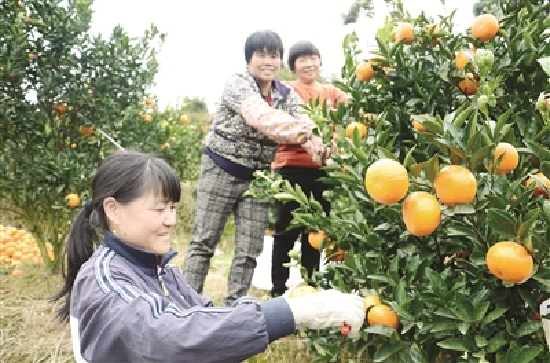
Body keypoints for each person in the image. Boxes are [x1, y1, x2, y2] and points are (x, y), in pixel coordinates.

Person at [52, 151, 365, 363]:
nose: (171, 220)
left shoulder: (160, 269)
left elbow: (205, 322)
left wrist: (295, 309)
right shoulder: (105, 280)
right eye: (159, 209)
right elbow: (166, 338)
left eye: (173, 208)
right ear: (113, 210)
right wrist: (288, 313)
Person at [182, 30, 332, 306]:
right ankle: (186, 307)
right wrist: (307, 131)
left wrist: (324, 152)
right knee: (204, 242)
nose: (268, 61)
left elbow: (307, 126)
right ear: (249, 60)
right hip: (221, 169)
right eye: (261, 55)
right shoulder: (238, 84)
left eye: (273, 56)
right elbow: (261, 117)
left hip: (259, 177)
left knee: (249, 248)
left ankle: (235, 308)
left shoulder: (286, 95)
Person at [271, 40, 351, 297]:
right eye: (302, 59)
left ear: (320, 62)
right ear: (293, 66)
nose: (308, 64)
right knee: (286, 230)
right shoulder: (286, 90)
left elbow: (352, 105)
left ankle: (311, 287)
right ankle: (278, 289)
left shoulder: (331, 93)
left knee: (315, 232)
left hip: (323, 170)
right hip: (291, 168)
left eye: (312, 58)